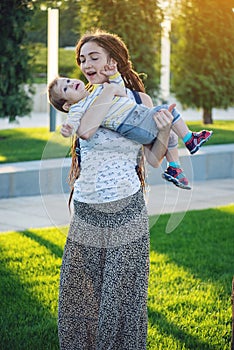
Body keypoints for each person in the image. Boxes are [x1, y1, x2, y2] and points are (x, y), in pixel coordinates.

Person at [56, 29, 182, 350]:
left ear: (113, 59)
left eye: (94, 57)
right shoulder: (86, 100)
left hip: (127, 208)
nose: (86, 65)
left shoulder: (142, 101)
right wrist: (108, 91)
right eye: (82, 60)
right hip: (87, 209)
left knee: (122, 294)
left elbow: (153, 159)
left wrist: (165, 130)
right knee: (82, 296)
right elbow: (85, 132)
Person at [48, 68, 212, 190]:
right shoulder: (79, 106)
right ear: (67, 104)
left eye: (68, 80)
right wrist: (69, 127)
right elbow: (75, 121)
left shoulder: (98, 91)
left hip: (136, 121)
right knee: (168, 110)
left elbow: (121, 91)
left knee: (170, 135)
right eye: (65, 88)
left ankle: (175, 168)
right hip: (132, 122)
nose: (71, 83)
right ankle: (190, 139)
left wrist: (115, 75)